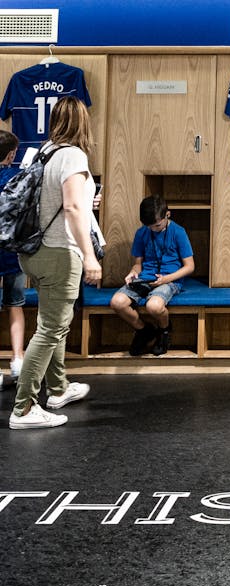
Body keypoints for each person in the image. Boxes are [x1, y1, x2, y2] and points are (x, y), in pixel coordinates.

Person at [8, 96, 102, 430]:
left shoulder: (43, 151)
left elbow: (58, 201)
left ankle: (58, 389)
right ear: (83, 122)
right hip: (59, 252)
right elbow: (74, 209)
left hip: (32, 252)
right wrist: (89, 256)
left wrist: (86, 199)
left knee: (54, 324)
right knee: (50, 329)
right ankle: (23, 408)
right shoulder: (74, 155)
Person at [109, 195, 193, 356]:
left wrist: (166, 279)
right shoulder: (142, 232)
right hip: (145, 277)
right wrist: (133, 273)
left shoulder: (178, 232)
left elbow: (190, 267)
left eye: (157, 225)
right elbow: (138, 264)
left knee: (153, 306)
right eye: (149, 226)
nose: (153, 229)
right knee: (117, 302)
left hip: (170, 279)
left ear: (167, 214)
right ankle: (144, 330)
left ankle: (164, 331)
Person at [0, 130, 26, 387]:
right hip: (11, 250)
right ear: (11, 154)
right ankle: (17, 360)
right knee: (15, 305)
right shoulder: (16, 177)